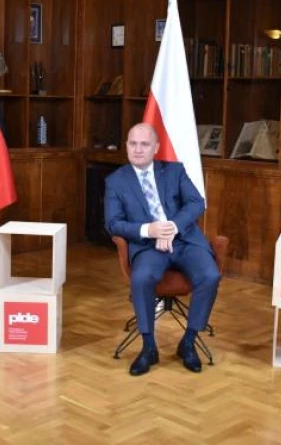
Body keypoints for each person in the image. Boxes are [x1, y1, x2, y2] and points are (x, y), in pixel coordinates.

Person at [104, 123, 221, 376]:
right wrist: (150, 230)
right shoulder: (116, 181)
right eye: (132, 143)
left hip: (185, 240)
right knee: (143, 277)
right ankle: (148, 347)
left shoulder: (174, 171)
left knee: (210, 275)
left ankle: (188, 342)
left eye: (144, 144)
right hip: (148, 246)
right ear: (126, 146)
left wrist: (172, 227)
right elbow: (112, 223)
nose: (137, 149)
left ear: (156, 148)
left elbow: (196, 202)